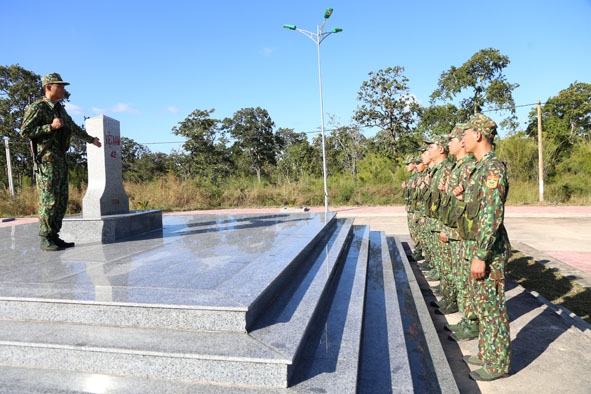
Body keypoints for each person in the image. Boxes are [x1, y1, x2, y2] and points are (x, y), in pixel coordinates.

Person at [452, 113, 511, 381]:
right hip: (477, 247)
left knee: (492, 310)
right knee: (483, 307)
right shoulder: (479, 168)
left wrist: (481, 255)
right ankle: (488, 353)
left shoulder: (492, 169)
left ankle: (497, 364)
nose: (462, 139)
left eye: (465, 134)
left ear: (478, 135)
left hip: (488, 252)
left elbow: (491, 216)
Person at [21, 73, 102, 251]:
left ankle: (54, 235)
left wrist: (90, 140)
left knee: (61, 199)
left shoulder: (60, 109)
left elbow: (72, 126)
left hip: (60, 160)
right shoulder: (38, 107)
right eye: (60, 86)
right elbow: (25, 131)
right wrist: (50, 127)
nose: (64, 89)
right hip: (46, 161)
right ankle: (45, 237)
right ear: (49, 87)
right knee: (49, 200)